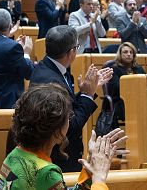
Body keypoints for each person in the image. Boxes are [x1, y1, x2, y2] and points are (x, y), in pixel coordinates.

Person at [0, 84, 127, 190]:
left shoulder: (14, 155)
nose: (70, 121)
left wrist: (90, 170)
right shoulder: (46, 172)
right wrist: (99, 178)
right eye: (68, 117)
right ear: (57, 130)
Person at [30, 25, 112, 172]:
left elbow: (66, 105)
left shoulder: (48, 68)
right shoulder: (51, 80)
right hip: (58, 159)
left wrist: (87, 91)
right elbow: (71, 126)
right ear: (71, 52)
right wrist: (87, 95)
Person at [105, 42, 145, 126]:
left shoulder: (138, 68)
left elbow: (145, 84)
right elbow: (116, 87)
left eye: (131, 52)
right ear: (120, 54)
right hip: (121, 101)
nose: (129, 54)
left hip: (138, 99)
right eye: (125, 52)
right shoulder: (114, 68)